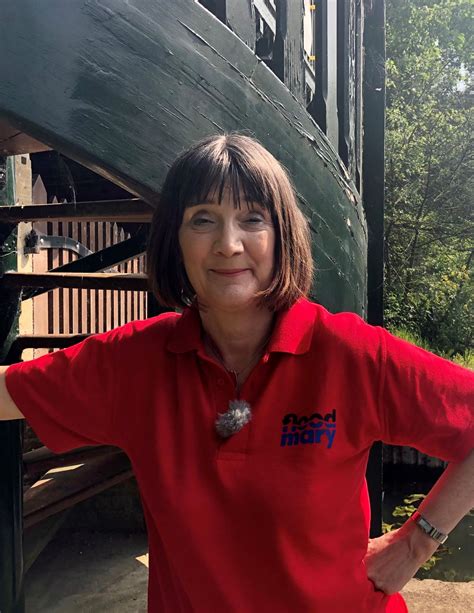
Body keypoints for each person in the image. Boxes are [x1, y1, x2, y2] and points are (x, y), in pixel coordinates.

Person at [0, 134, 473, 612]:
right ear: (175, 239)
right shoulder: (137, 361)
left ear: (283, 235)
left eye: (252, 219)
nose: (228, 245)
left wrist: (417, 542)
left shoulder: (349, 353)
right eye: (202, 219)